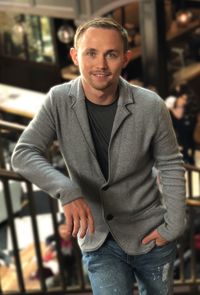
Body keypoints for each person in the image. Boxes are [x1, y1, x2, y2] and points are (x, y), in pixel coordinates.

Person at [11, 17, 186, 295]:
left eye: (111, 54)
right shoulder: (58, 99)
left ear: (125, 58)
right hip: (98, 239)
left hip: (151, 235)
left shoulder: (151, 105)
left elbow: (171, 164)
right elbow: (22, 154)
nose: (101, 65)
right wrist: (66, 190)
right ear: (74, 56)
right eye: (91, 53)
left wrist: (174, 225)